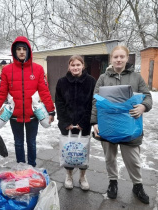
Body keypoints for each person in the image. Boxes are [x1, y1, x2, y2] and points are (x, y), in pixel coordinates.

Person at [91, 45, 153, 204]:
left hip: (130, 127)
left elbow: (147, 96)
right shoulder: (103, 78)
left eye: (122, 57)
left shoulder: (136, 77)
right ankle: (113, 182)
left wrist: (143, 106)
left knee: (133, 159)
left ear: (127, 58)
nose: (118, 59)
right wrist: (95, 122)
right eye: (115, 57)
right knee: (110, 157)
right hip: (108, 126)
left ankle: (137, 185)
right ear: (111, 59)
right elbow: (95, 100)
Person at [0, 36, 55, 167]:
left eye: (24, 49)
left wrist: (51, 110)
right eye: (18, 49)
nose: (21, 52)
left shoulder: (37, 69)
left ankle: (31, 167)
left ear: (28, 51)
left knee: (31, 142)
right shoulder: (7, 70)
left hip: (33, 115)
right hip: (15, 116)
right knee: (18, 143)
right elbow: (1, 93)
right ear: (14, 51)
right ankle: (21, 167)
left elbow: (44, 91)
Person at [55, 55, 96, 190]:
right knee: (68, 149)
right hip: (66, 124)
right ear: (69, 66)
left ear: (83, 66)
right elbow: (59, 103)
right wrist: (65, 121)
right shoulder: (62, 82)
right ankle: (69, 175)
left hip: (83, 123)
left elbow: (92, 103)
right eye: (73, 65)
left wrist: (84, 122)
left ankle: (83, 176)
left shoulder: (90, 81)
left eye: (78, 65)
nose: (75, 68)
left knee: (82, 150)